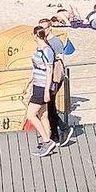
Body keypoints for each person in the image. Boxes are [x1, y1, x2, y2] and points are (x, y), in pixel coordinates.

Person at [28, 24, 60, 156]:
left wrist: (47, 90)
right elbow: (36, 68)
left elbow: (49, 71)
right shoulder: (39, 49)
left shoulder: (47, 50)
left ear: (36, 35)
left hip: (42, 87)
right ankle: (47, 141)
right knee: (43, 115)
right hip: (38, 84)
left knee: (31, 115)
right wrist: (30, 81)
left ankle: (47, 141)